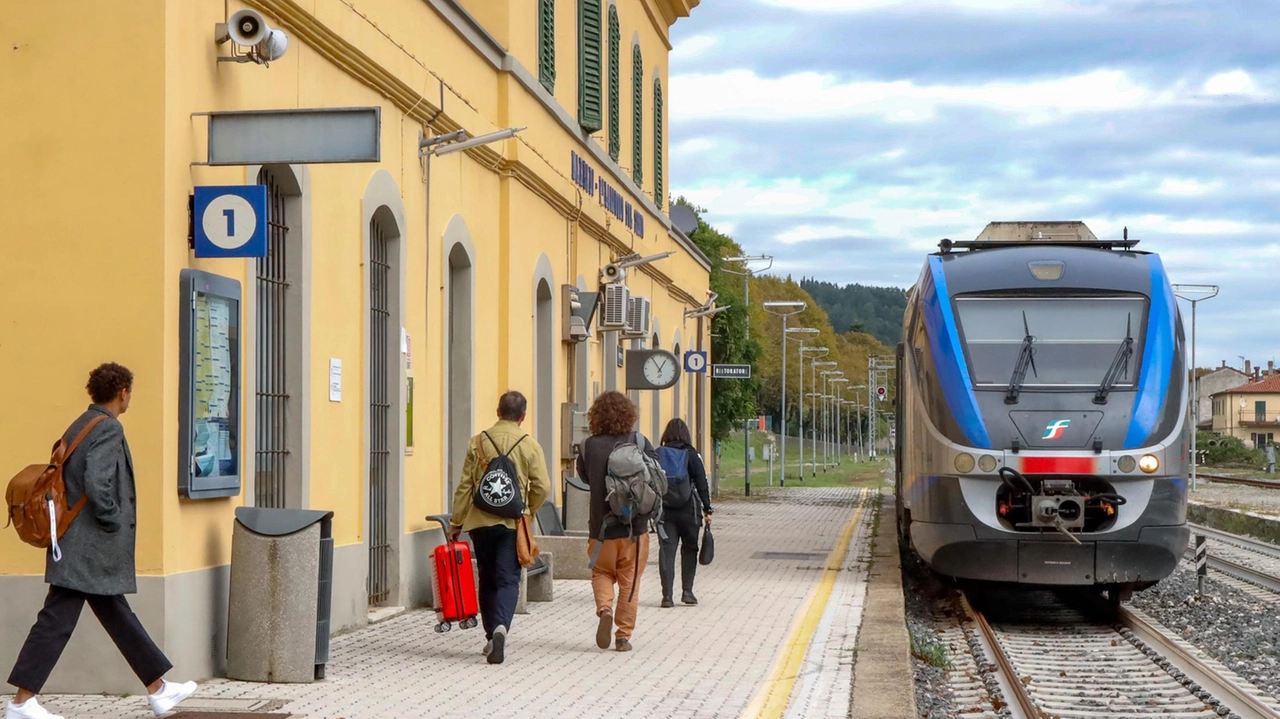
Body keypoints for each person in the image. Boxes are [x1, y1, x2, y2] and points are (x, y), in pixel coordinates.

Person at [6, 363, 196, 719]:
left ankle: (158, 689)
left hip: (75, 544)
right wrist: (112, 519)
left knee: (114, 613)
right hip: (87, 547)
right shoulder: (108, 428)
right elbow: (96, 482)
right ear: (122, 392)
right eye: (130, 393)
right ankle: (21, 702)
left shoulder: (83, 422)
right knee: (57, 620)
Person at [448, 391, 551, 665]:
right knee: (508, 578)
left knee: (487, 577)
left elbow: (465, 486)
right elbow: (543, 486)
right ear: (523, 416)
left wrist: (456, 522)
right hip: (512, 524)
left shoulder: (478, 441)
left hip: (480, 521)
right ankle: (501, 627)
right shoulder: (529, 445)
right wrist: (527, 508)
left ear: (497, 411)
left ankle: (489, 635)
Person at [576, 391, 660, 652]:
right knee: (630, 582)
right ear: (629, 415)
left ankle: (604, 609)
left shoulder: (588, 446)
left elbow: (585, 478)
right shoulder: (639, 441)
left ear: (595, 417)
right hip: (635, 529)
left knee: (601, 572)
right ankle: (623, 636)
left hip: (600, 528)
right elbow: (656, 479)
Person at [655, 418, 713, 608]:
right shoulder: (691, 455)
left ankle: (667, 596)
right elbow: (702, 483)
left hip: (665, 511)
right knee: (689, 548)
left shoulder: (659, 454)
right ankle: (687, 591)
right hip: (689, 510)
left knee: (667, 551)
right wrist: (707, 508)